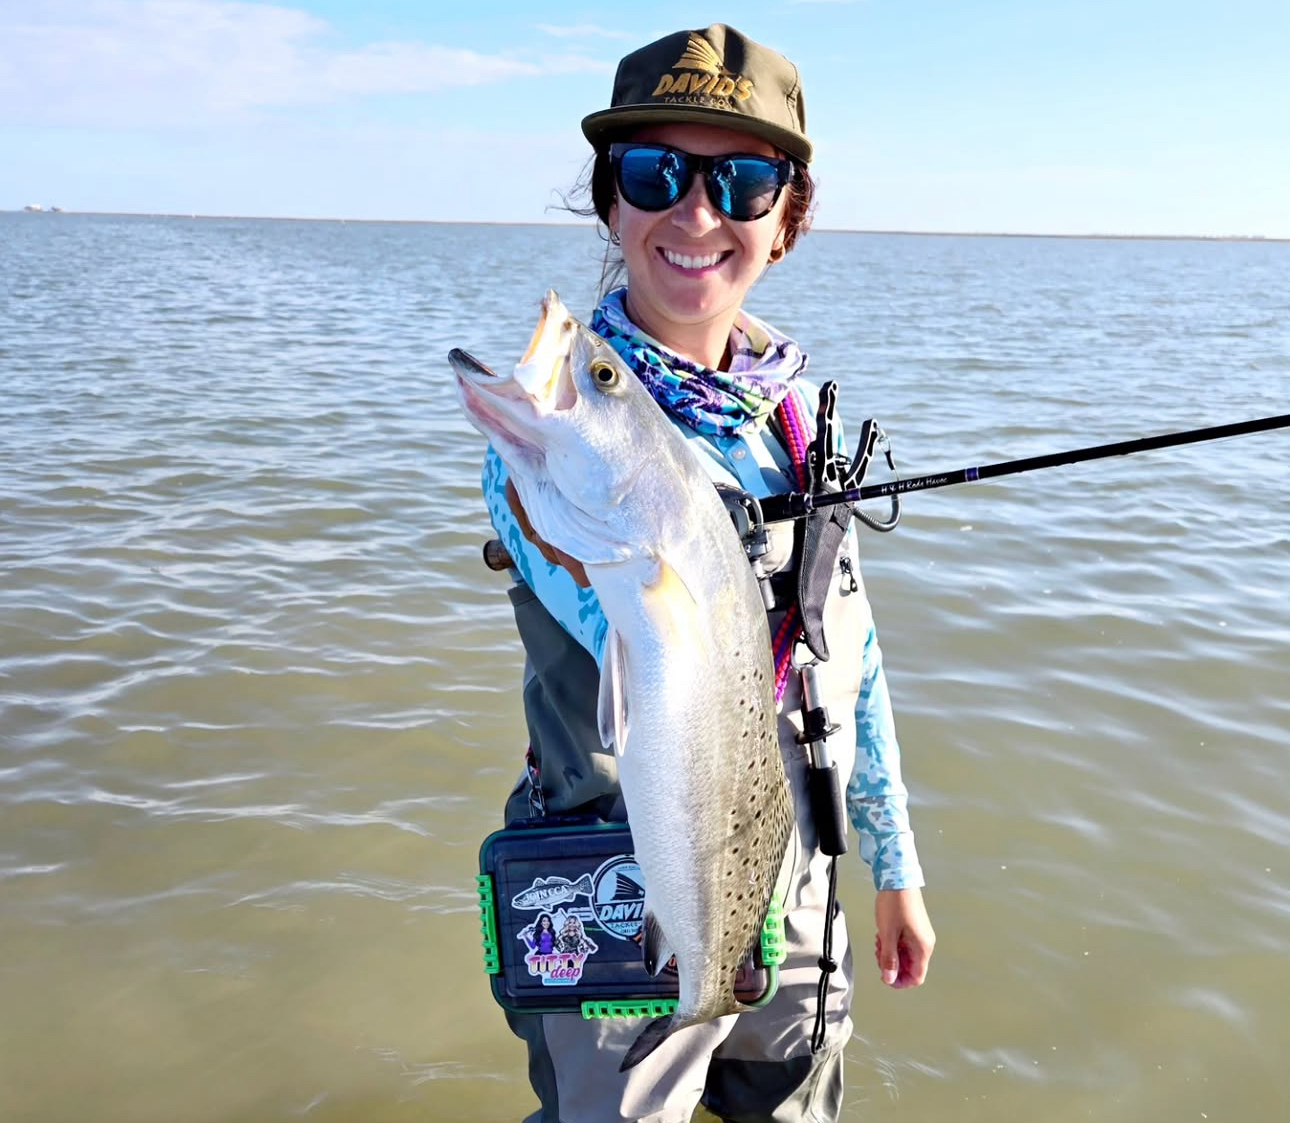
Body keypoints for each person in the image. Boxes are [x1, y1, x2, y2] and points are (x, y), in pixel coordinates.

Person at [479, 23, 935, 1123]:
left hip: (799, 875)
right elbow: (627, 628)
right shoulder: (553, 441)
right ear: (610, 203)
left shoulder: (793, 428)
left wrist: (895, 861)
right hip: (614, 875)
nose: (695, 212)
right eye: (654, 173)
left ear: (786, 221)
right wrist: (578, 447)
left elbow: (852, 658)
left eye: (742, 179)